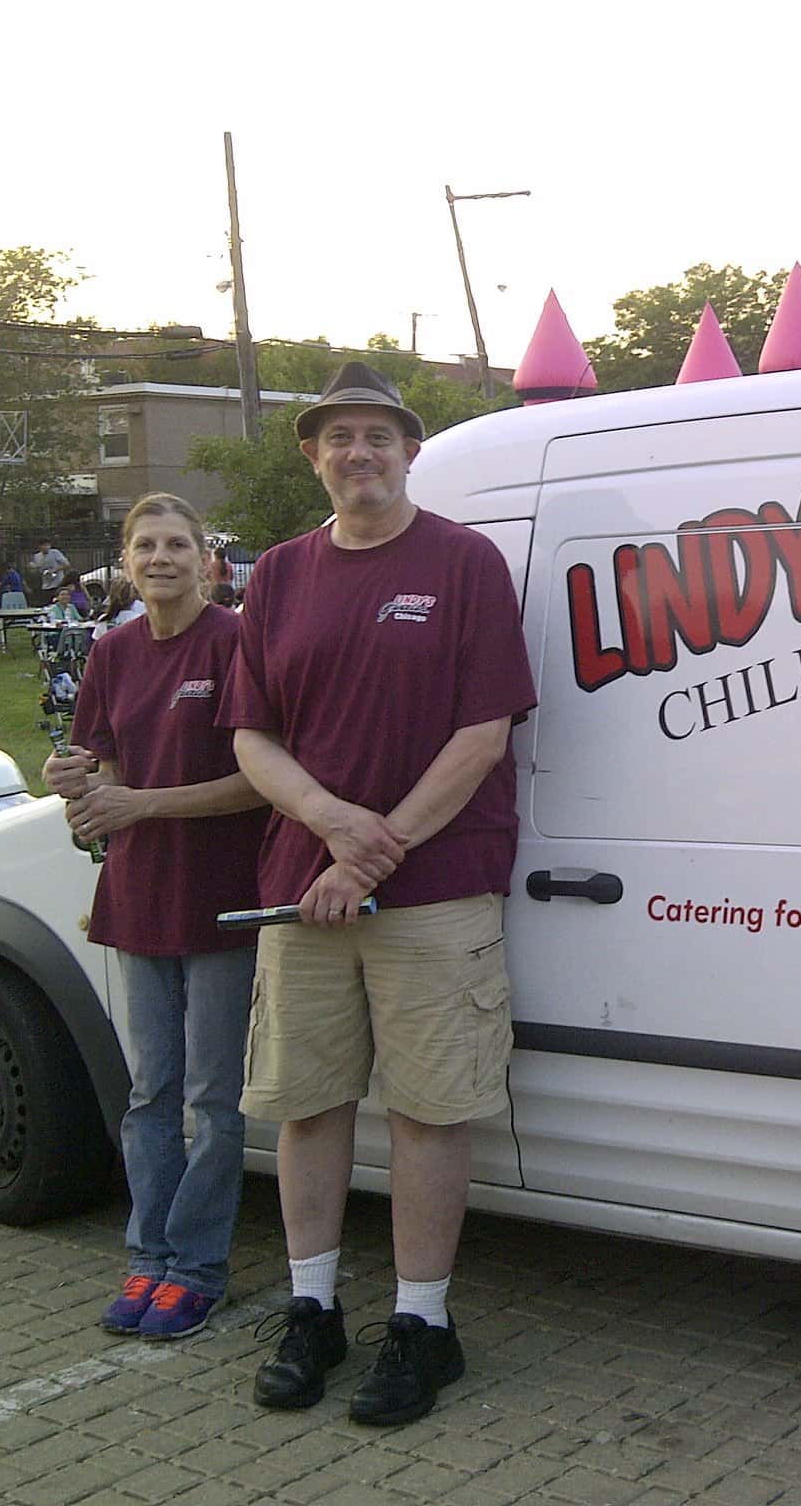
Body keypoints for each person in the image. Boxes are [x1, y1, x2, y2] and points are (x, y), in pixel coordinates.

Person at [224, 362, 534, 1425]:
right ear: (314, 455)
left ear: (409, 450)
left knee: (429, 1113)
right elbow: (252, 737)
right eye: (339, 437)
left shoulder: (464, 561)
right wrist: (324, 820)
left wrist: (367, 856)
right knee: (307, 1108)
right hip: (299, 893)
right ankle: (312, 1310)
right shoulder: (277, 575)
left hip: (434, 891)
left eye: (378, 436)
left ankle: (421, 1325)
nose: (359, 453)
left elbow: (484, 732)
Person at [42, 493, 269, 1341]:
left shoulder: (236, 642)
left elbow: (260, 779)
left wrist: (141, 803)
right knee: (150, 1094)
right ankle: (149, 1257)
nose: (161, 559)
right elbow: (99, 771)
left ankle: (199, 1267)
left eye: (177, 544)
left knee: (212, 1098)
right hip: (137, 899)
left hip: (219, 903)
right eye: (146, 546)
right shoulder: (113, 652)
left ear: (207, 561)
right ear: (127, 562)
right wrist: (74, 784)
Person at [29, 539, 70, 607]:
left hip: (58, 583)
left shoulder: (55, 553)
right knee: (47, 605)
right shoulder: (37, 556)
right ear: (40, 546)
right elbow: (38, 570)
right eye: (44, 545)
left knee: (57, 603)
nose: (46, 547)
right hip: (46, 585)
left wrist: (54, 570)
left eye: (47, 545)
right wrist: (34, 567)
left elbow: (67, 565)